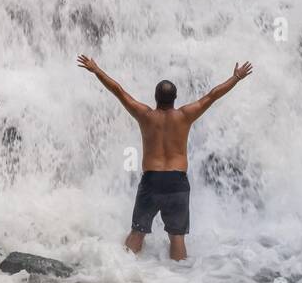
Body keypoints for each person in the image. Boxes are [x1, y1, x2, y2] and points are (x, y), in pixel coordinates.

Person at [77, 56, 253, 260]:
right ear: (176, 98)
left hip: (151, 181)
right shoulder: (186, 115)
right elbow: (212, 95)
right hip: (177, 181)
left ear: (155, 97)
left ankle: (121, 273)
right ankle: (178, 281)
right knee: (177, 237)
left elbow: (118, 90)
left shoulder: (145, 115)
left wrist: (96, 70)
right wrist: (236, 78)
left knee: (137, 233)